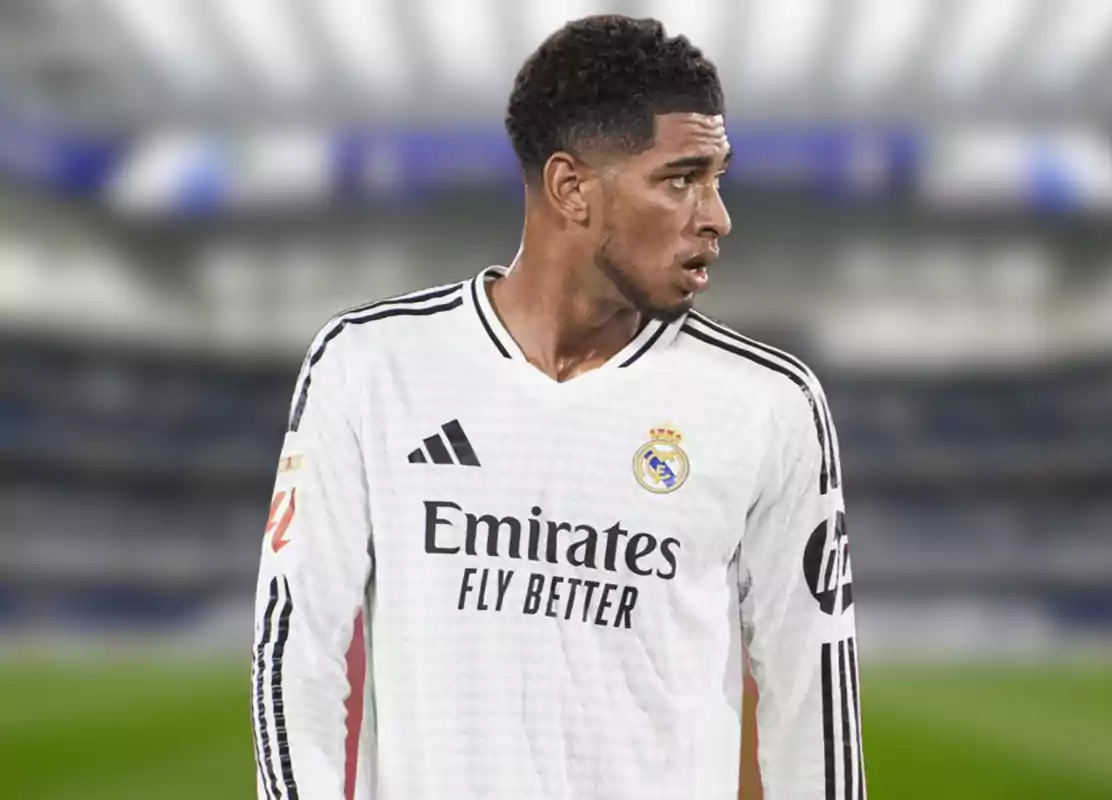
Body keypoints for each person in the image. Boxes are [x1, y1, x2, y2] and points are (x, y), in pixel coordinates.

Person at [251, 14, 864, 800]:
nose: (716, 216)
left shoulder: (769, 404)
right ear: (571, 188)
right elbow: (293, 652)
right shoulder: (370, 366)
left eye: (718, 177)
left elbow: (814, 704)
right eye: (681, 178)